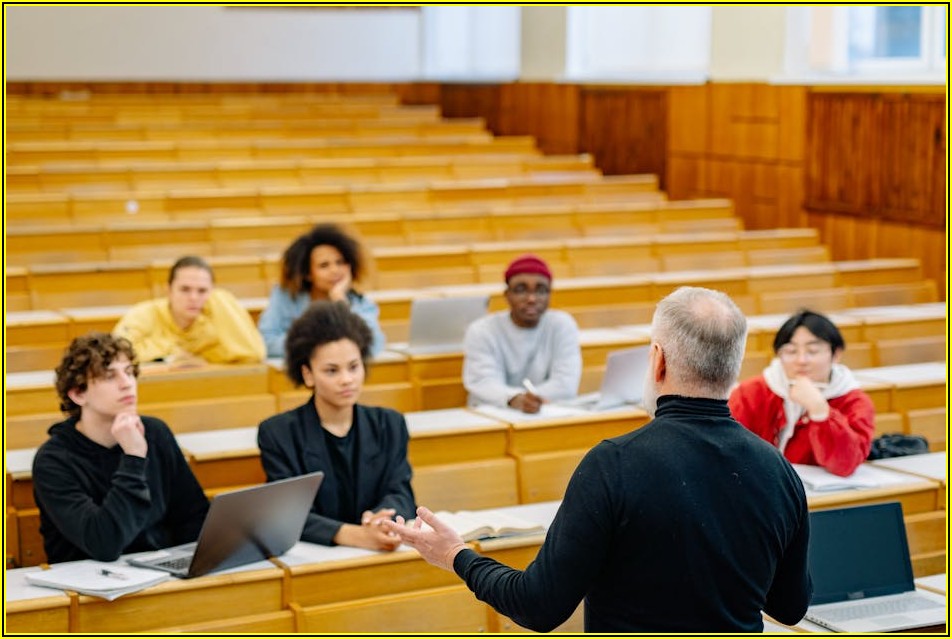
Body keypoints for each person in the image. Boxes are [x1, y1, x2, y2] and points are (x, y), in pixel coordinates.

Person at [385, 287, 812, 633]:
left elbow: (538, 606)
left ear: (658, 360)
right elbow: (790, 608)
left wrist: (456, 554)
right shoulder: (777, 470)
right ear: (733, 365)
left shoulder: (614, 464)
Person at [32, 333, 209, 564]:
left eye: (129, 372)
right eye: (109, 376)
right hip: (90, 579)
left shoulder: (156, 433)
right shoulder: (53, 461)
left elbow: (194, 516)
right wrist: (134, 457)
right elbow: (104, 544)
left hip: (160, 571)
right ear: (78, 394)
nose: (127, 384)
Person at [257, 301, 415, 551]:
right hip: (315, 556)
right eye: (332, 371)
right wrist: (356, 535)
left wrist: (381, 520)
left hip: (379, 551)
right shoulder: (278, 434)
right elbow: (288, 514)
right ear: (308, 374)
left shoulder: (390, 424)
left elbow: (402, 494)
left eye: (354, 367)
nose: (347, 380)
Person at [729, 309, 875, 477]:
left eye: (812, 351)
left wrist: (820, 411)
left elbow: (845, 464)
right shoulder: (751, 392)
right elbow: (730, 448)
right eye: (791, 351)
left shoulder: (854, 401)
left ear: (836, 354)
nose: (801, 360)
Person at [462, 254, 581, 413]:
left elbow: (565, 384)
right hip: (494, 414)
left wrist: (529, 401)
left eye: (541, 290)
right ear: (507, 295)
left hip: (547, 413)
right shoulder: (482, 330)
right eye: (521, 290)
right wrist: (514, 399)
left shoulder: (562, 324)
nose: (531, 299)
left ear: (549, 294)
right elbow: (483, 382)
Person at [257, 223, 385, 358]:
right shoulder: (285, 296)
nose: (334, 270)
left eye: (340, 262)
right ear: (307, 274)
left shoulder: (359, 302)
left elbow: (373, 345)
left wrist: (340, 302)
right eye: (324, 265)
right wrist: (319, 344)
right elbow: (265, 342)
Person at [114, 255, 265, 365]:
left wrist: (221, 298)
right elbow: (117, 354)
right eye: (185, 289)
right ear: (169, 291)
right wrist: (175, 353)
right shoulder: (144, 314)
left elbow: (253, 355)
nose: (193, 298)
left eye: (202, 291)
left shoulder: (213, 323)